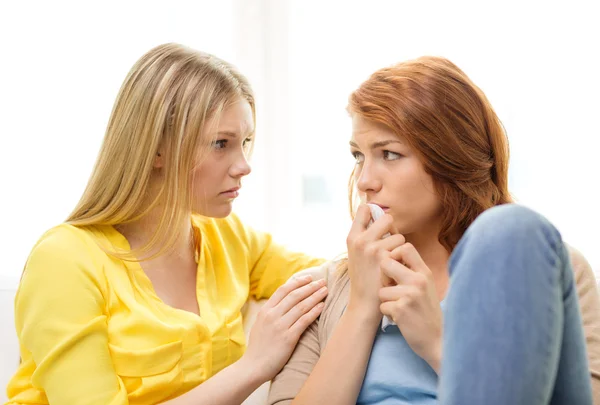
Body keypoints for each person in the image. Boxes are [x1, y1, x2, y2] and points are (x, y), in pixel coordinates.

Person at [5, 43, 328, 405]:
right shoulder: (64, 262)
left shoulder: (227, 236)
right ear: (157, 148)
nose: (244, 165)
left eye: (246, 142)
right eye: (221, 143)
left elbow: (332, 275)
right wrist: (253, 365)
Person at [268, 56, 600, 405]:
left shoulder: (547, 271)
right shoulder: (323, 290)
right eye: (358, 156)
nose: (365, 181)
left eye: (389, 154)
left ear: (451, 158)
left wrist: (439, 344)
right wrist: (362, 307)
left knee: (515, 229)